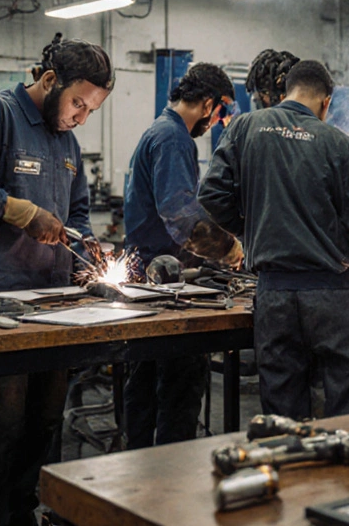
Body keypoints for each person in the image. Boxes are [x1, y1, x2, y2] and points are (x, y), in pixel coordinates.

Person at [0, 38, 112, 526]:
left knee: (42, 427)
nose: (81, 117)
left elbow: (77, 212)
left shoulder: (68, 142)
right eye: (78, 103)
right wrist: (18, 210)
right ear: (50, 81)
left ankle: (20, 515)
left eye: (91, 110)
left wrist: (89, 250)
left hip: (54, 308)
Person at [199, 60, 349, 419]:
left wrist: (252, 229)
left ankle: (287, 473)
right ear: (326, 102)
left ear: (285, 92)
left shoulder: (245, 127)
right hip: (333, 297)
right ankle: (346, 472)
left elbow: (211, 195)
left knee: (281, 414)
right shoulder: (337, 143)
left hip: (274, 295)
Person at [122, 62, 243, 449]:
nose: (220, 121)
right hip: (163, 285)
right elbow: (180, 216)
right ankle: (171, 484)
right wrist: (229, 249)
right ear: (208, 104)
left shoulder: (158, 131)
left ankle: (134, 478)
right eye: (222, 112)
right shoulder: (174, 138)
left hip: (147, 277)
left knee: (142, 390)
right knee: (178, 393)